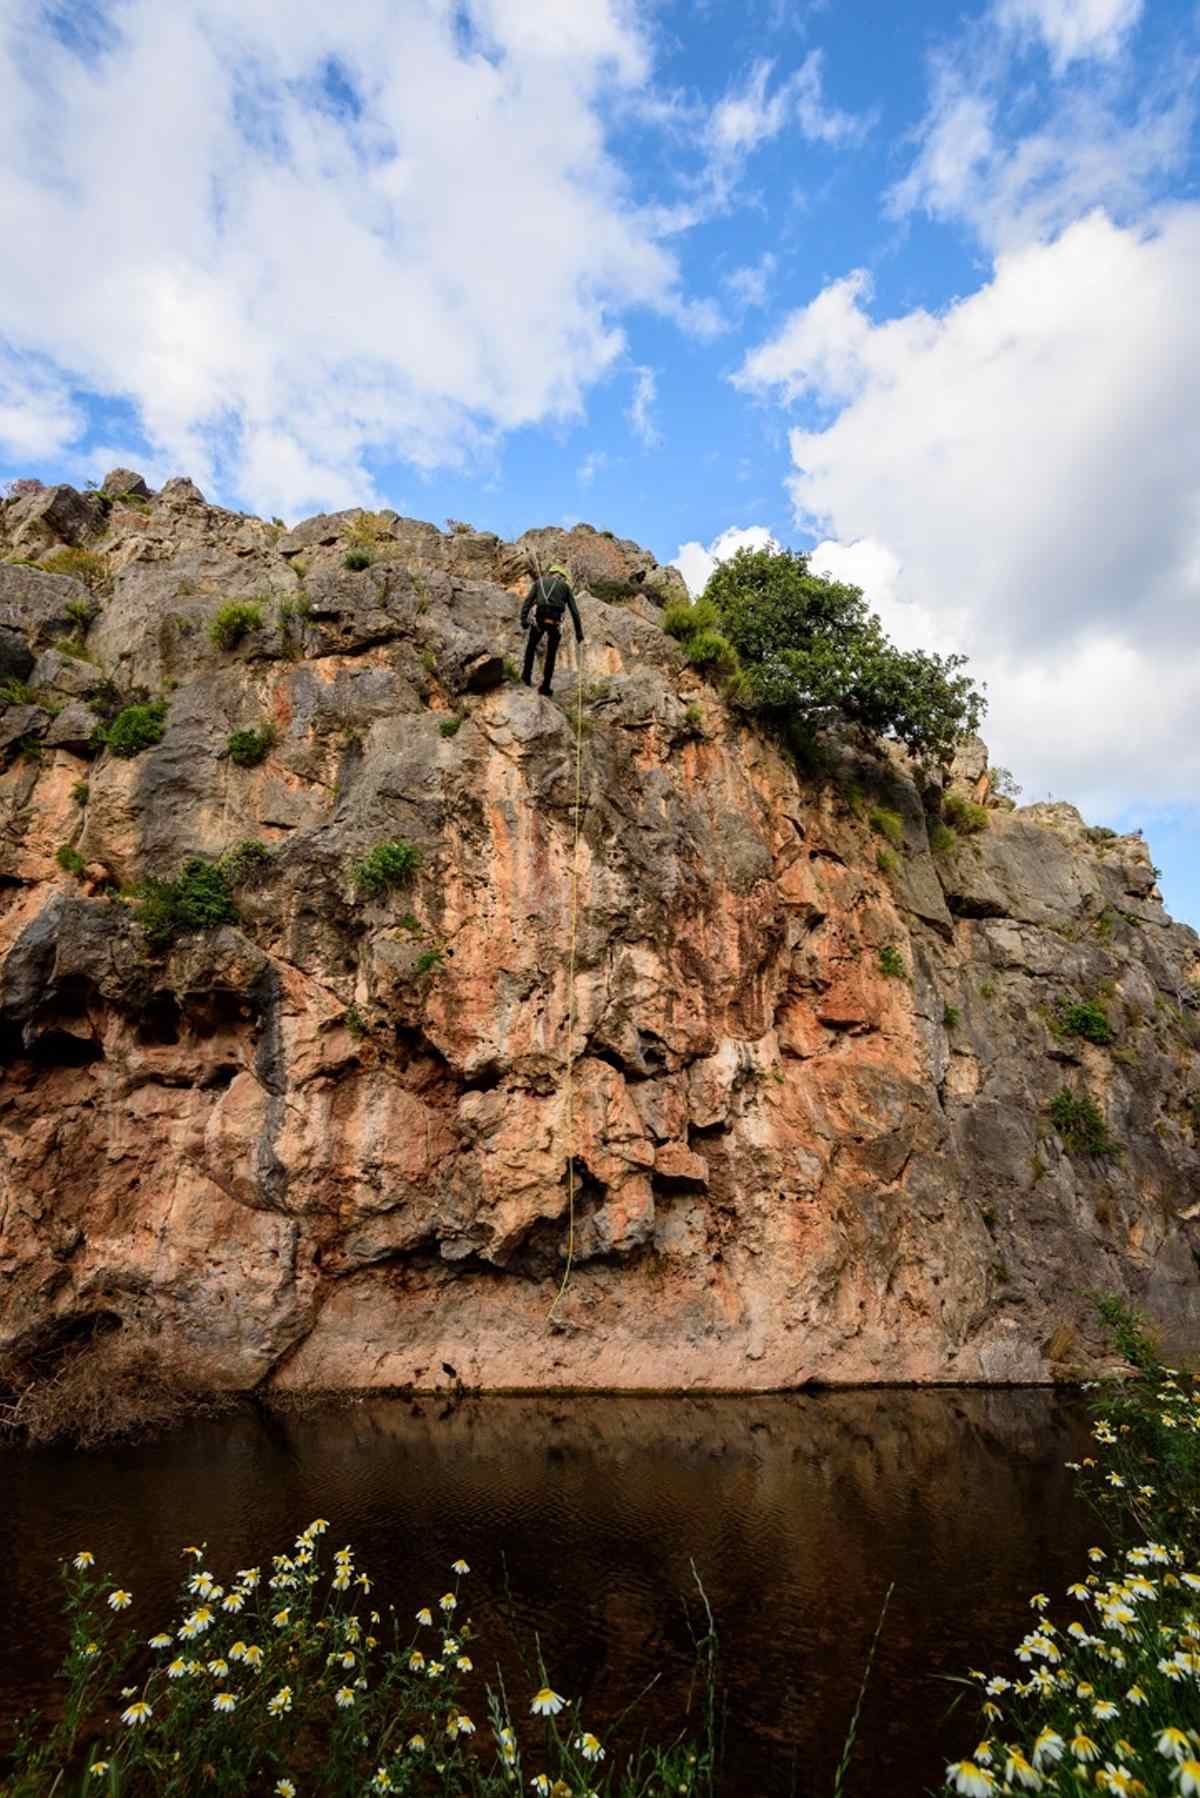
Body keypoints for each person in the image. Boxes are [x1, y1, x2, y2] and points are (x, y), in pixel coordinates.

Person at [520, 562, 583, 697]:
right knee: (551, 654)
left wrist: (523, 620)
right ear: (562, 576)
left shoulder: (539, 582)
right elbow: (574, 612)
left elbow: (528, 602)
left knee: (531, 647)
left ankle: (526, 678)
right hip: (555, 622)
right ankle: (545, 686)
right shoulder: (565, 587)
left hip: (539, 619)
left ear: (551, 573)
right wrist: (579, 634)